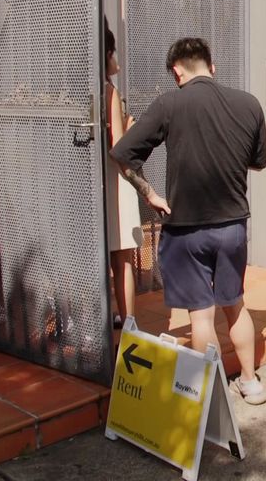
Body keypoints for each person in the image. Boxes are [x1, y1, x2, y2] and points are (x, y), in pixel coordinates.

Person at [111, 38, 266, 404]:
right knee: (236, 304)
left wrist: (149, 193)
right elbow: (257, 161)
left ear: (176, 71)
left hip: (186, 229)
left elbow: (123, 154)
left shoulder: (170, 103)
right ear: (211, 67)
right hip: (232, 224)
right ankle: (250, 381)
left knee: (201, 316)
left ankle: (209, 395)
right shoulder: (249, 104)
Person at [103, 20, 143, 328]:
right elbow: (118, 144)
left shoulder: (81, 90)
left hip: (94, 183)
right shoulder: (109, 91)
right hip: (116, 180)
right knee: (124, 258)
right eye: (113, 51)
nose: (117, 58)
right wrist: (131, 130)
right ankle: (129, 321)